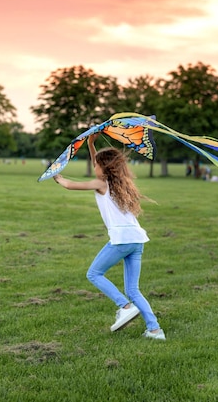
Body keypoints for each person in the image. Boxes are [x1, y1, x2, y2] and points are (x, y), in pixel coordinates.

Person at [52, 134, 165, 341]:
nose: (94, 165)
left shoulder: (100, 184)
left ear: (103, 168)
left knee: (94, 274)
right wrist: (91, 143)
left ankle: (124, 306)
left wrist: (57, 176)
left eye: (96, 164)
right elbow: (98, 161)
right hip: (137, 240)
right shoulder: (122, 183)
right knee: (133, 289)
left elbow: (69, 185)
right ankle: (155, 330)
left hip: (122, 239)